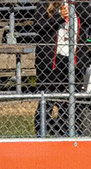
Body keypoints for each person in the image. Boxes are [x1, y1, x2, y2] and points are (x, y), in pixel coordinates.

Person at [33, 0, 75, 135]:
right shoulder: (44, 4)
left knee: (68, 100)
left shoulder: (77, 5)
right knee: (48, 98)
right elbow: (38, 26)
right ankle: (42, 131)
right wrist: (59, 17)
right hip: (50, 59)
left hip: (71, 58)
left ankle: (65, 131)